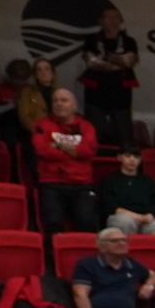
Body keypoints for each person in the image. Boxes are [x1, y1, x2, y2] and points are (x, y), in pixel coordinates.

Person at [71, 227, 155, 308]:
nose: (121, 243)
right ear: (101, 246)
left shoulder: (131, 264)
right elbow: (80, 294)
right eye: (115, 241)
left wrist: (149, 286)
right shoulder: (87, 265)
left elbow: (154, 275)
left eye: (124, 240)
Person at [33, 87, 100, 233]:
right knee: (53, 224)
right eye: (55, 101)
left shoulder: (86, 127)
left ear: (74, 106)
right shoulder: (42, 125)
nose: (59, 104)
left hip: (81, 184)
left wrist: (57, 145)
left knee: (87, 223)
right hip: (51, 182)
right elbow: (42, 150)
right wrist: (74, 151)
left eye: (64, 100)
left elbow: (87, 151)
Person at [79, 5, 140, 149]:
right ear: (101, 20)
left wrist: (106, 58)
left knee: (125, 139)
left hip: (121, 98)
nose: (113, 20)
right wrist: (118, 62)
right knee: (92, 138)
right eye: (109, 17)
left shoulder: (129, 41)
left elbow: (129, 62)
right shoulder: (91, 40)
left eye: (117, 17)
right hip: (95, 97)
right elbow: (91, 62)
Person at [99, 145, 155, 239]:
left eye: (136, 157)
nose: (132, 159)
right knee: (125, 223)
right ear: (119, 157)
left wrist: (151, 215)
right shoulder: (110, 180)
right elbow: (111, 206)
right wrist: (138, 217)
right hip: (121, 217)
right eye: (128, 156)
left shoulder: (148, 181)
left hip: (147, 220)